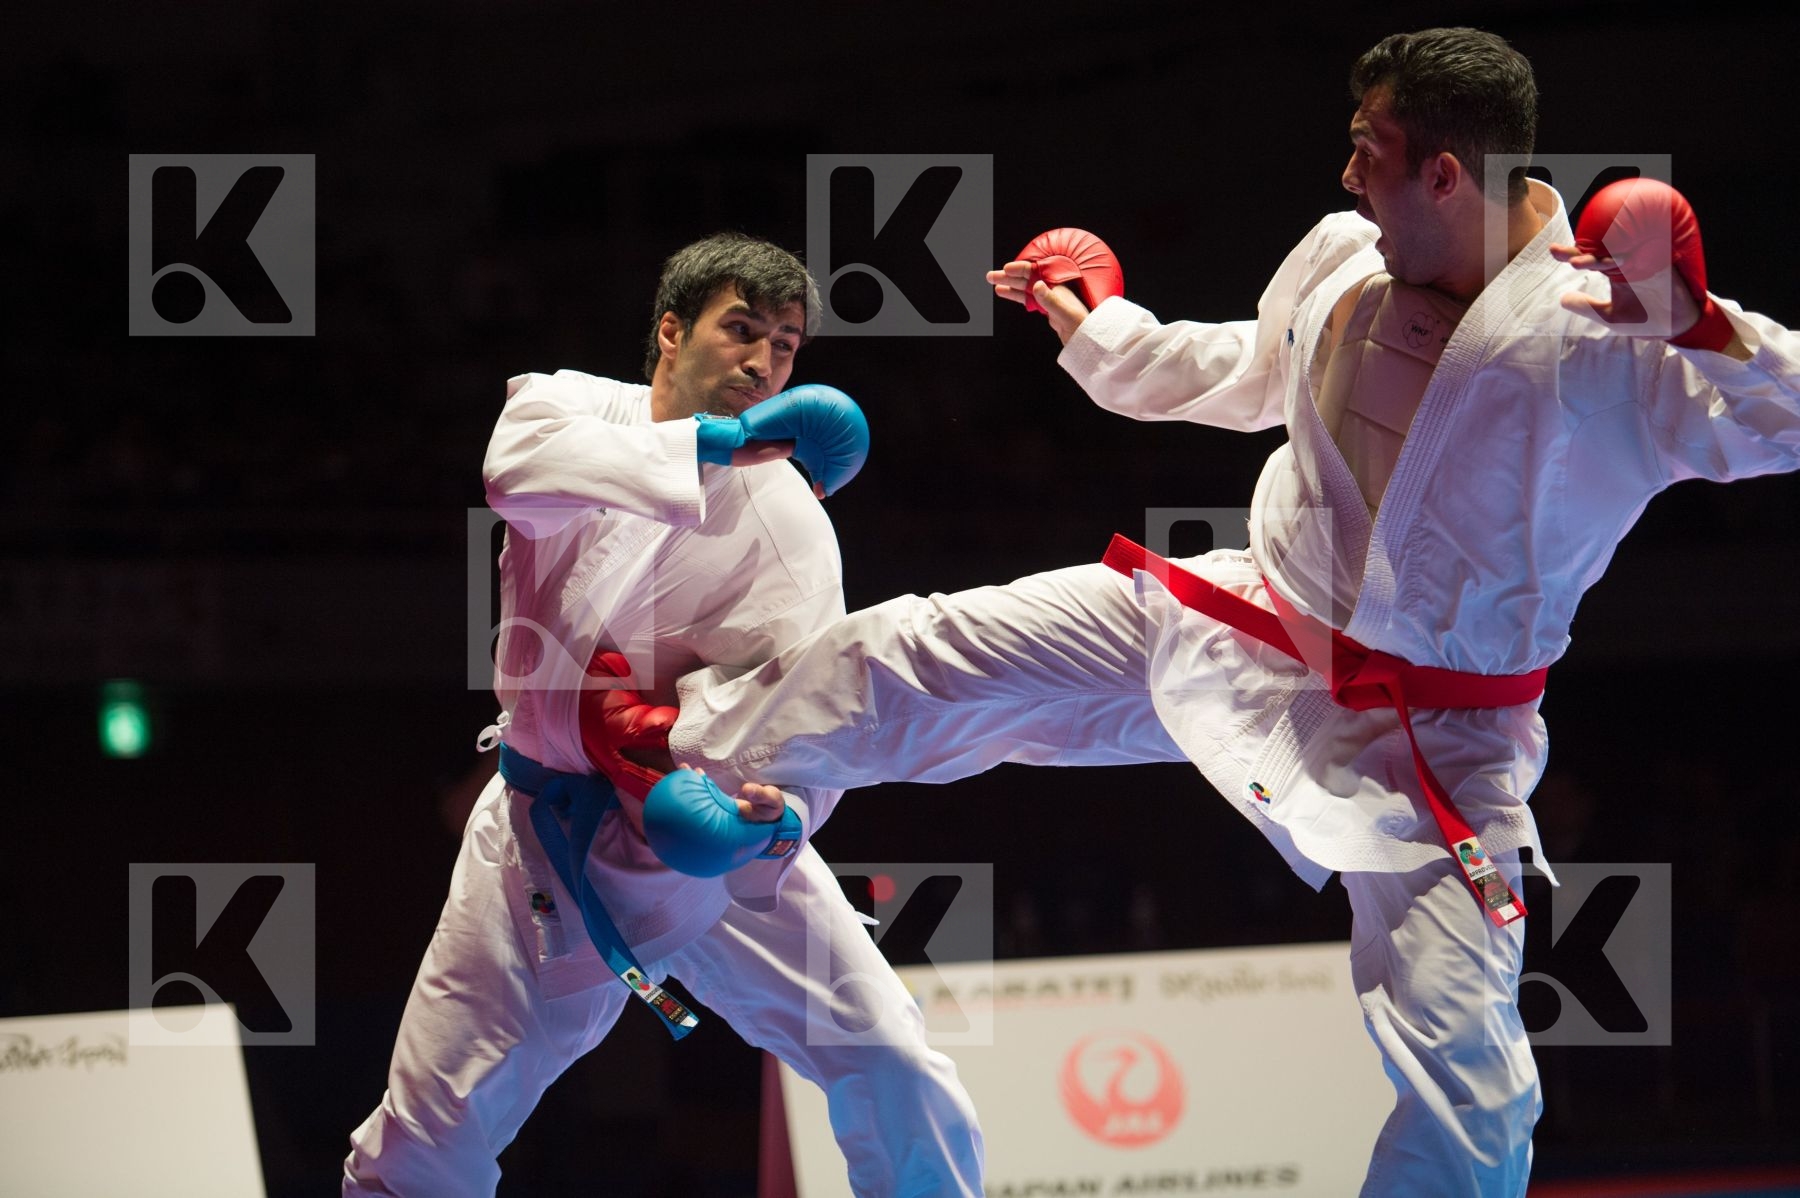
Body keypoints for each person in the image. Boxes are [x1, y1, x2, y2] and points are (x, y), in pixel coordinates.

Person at [646, 29, 1799, 1197]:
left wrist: (1704, 323)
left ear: (1443, 173)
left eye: (1370, 150)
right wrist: (1104, 330)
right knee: (927, 646)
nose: (1348, 176)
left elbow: (1790, 409)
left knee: (1472, 1092)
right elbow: (1250, 365)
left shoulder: (1612, 340)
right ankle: (660, 769)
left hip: (1428, 746)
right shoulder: (1347, 259)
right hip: (1247, 618)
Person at [342, 232, 984, 1197]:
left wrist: (777, 820)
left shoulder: (791, 522)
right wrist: (712, 445)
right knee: (434, 1130)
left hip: (706, 841)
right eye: (743, 331)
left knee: (888, 1056)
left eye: (787, 345)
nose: (764, 361)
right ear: (672, 331)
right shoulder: (565, 407)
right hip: (541, 837)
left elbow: (810, 714)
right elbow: (512, 476)